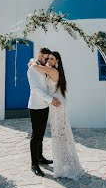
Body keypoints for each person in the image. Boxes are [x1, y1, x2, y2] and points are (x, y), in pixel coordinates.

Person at [31, 51, 85, 180]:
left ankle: (65, 164)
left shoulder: (53, 71)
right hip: (54, 103)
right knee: (59, 132)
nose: (49, 60)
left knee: (60, 133)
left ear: (57, 61)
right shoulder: (51, 70)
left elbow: (36, 67)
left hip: (57, 104)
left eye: (52, 59)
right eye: (48, 58)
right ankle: (64, 162)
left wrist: (32, 61)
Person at [27, 47, 61, 177]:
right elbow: (35, 89)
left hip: (45, 106)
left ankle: (40, 157)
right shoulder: (32, 69)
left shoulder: (42, 66)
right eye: (45, 57)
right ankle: (34, 163)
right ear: (40, 55)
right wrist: (51, 99)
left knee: (41, 134)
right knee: (35, 135)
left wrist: (49, 101)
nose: (47, 60)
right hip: (35, 106)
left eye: (48, 58)